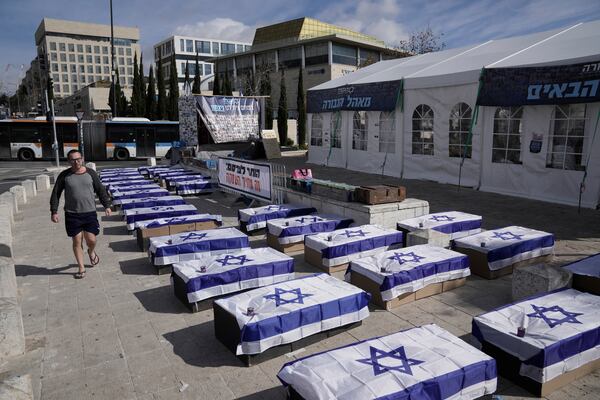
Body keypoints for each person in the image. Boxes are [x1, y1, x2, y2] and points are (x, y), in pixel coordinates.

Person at [50, 150, 112, 279]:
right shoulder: (65, 175)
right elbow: (56, 193)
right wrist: (54, 211)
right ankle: (81, 267)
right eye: (73, 159)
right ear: (69, 161)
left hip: (89, 213)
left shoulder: (91, 173)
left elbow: (100, 190)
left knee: (91, 240)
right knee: (77, 241)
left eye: (78, 159)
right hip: (72, 214)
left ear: (82, 159)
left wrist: (107, 206)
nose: (76, 162)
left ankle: (91, 251)